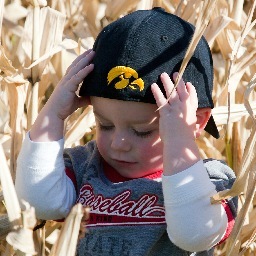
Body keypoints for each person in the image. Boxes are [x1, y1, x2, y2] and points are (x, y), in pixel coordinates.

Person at [15, 7, 237, 256]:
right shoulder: (85, 167)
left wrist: (179, 143)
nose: (118, 143)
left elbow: (194, 234)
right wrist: (53, 114)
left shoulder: (210, 181)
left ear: (195, 121)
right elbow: (39, 203)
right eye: (104, 125)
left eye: (143, 131)